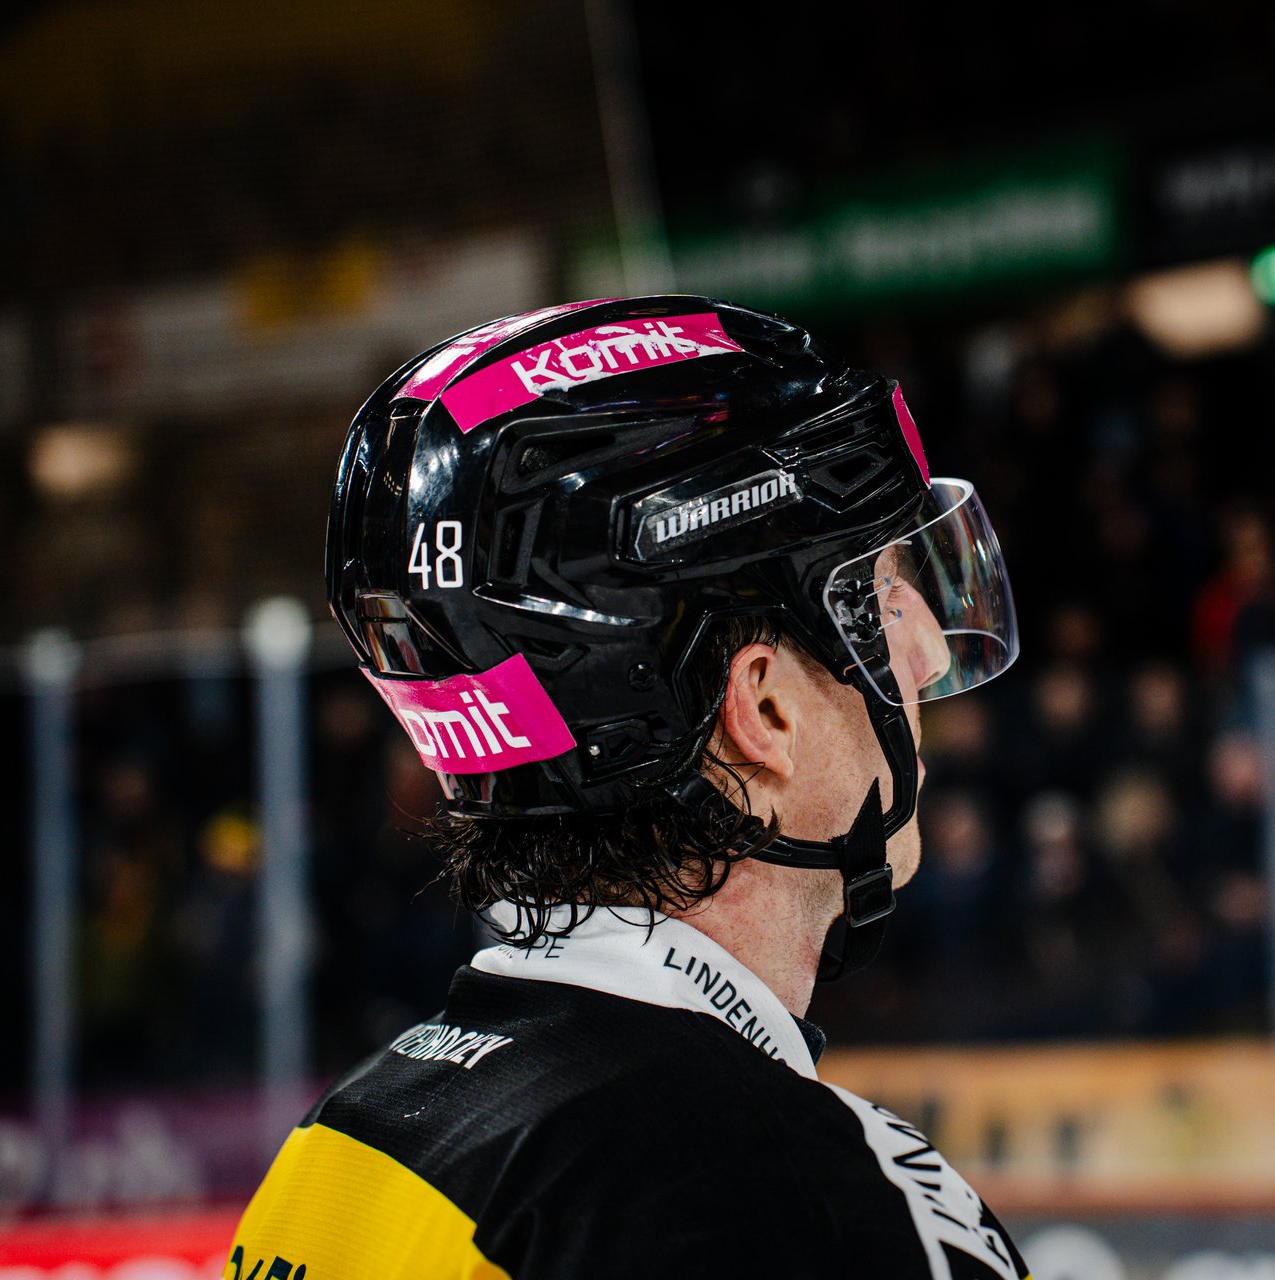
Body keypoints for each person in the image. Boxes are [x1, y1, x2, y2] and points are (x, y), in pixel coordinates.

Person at [227, 297, 1029, 1279]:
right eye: (881, 590)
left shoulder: (345, 1141)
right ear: (764, 710)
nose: (926, 647)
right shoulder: (816, 1210)